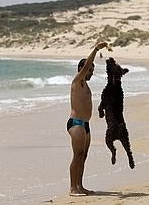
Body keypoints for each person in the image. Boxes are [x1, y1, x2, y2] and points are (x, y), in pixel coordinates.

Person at [67, 41, 109, 196]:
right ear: (81, 70)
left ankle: (80, 186)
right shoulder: (77, 81)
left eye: (92, 70)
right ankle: (72, 188)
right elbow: (86, 66)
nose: (91, 72)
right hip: (76, 124)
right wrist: (96, 49)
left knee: (83, 156)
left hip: (85, 124)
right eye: (89, 69)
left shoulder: (86, 85)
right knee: (77, 155)